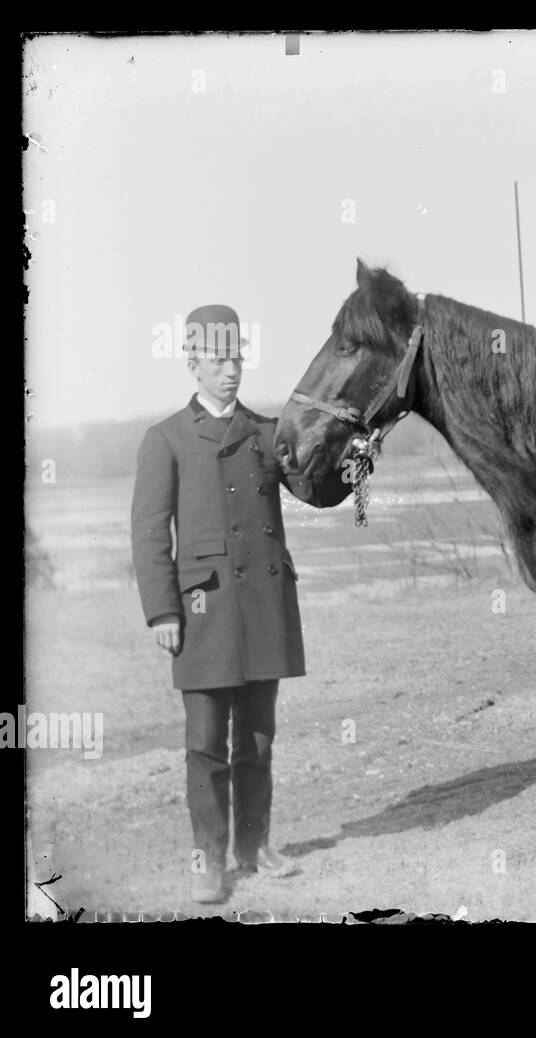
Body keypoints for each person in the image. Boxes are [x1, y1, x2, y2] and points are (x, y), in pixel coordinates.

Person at [131, 304, 305, 903]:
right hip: (202, 612)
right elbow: (150, 534)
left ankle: (252, 848)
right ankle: (208, 859)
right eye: (217, 360)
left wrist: (351, 458)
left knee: (256, 740)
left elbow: (316, 484)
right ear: (193, 364)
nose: (230, 371)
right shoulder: (167, 439)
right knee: (205, 742)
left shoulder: (268, 431)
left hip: (263, 609)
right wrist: (163, 612)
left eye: (237, 358)